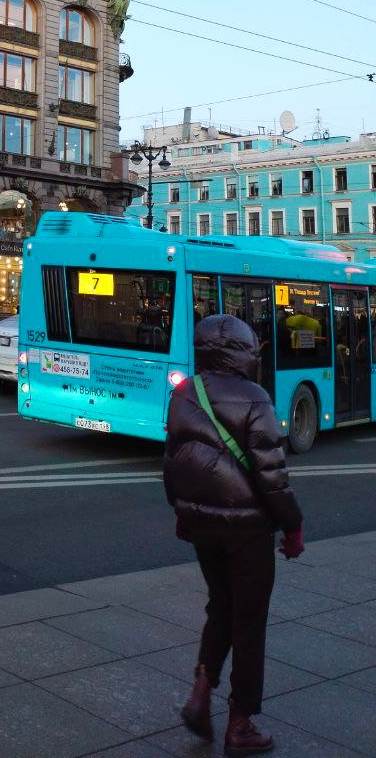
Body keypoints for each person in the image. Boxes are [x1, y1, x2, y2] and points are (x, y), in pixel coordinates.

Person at [164, 314, 304, 756]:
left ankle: (201, 694)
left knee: (220, 607)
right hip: (247, 529)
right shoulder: (256, 398)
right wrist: (293, 525)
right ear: (243, 353)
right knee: (249, 622)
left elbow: (173, 461)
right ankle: (240, 724)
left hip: (202, 525)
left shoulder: (184, 393)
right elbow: (272, 475)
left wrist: (184, 513)